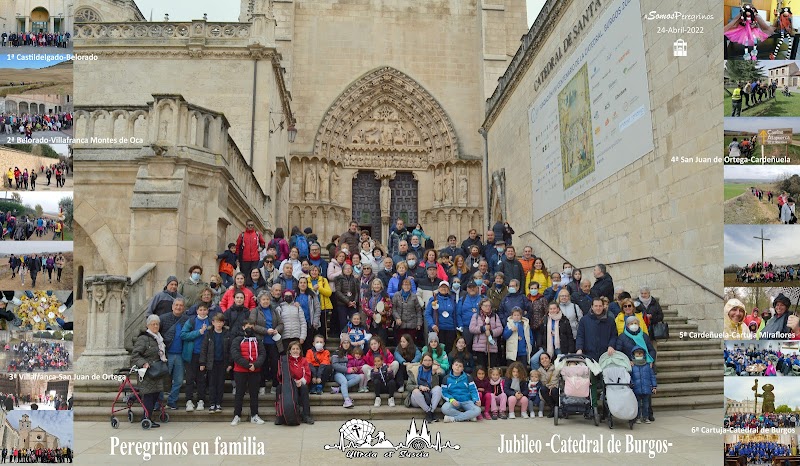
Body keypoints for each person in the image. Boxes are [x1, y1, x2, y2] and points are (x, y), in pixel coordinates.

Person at [131, 315, 170, 427]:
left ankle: (148, 417)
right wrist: (143, 363)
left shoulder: (159, 338)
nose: (155, 326)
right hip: (147, 372)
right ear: (148, 325)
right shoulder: (143, 338)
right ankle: (146, 418)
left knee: (155, 395)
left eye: (157, 324)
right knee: (148, 395)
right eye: (153, 324)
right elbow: (135, 355)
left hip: (157, 371)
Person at [229, 318, 266, 426]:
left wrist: (255, 364)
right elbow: (235, 354)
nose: (249, 328)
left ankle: (254, 415)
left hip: (255, 370)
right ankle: (237, 415)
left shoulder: (258, 340)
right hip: (240, 370)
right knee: (239, 393)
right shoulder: (237, 339)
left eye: (251, 326)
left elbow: (262, 354)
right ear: (243, 327)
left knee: (254, 394)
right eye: (247, 326)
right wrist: (247, 365)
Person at [251, 290, 284, 394]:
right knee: (262, 365)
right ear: (259, 301)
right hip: (261, 341)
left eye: (267, 299)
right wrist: (265, 331)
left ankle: (275, 385)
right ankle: (262, 386)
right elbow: (252, 325)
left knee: (275, 364)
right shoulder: (255, 311)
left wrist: (277, 330)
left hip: (274, 342)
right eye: (263, 299)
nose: (265, 301)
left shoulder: (274, 310)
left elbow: (281, 324)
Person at [180, 303, 211, 412]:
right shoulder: (191, 321)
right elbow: (183, 335)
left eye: (204, 310)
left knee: (201, 379)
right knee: (189, 378)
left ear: (207, 311)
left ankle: (201, 400)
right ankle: (189, 400)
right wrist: (198, 332)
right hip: (191, 354)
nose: (202, 312)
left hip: (204, 355)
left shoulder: (211, 321)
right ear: (197, 311)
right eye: (200, 310)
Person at [160, 298, 189, 410]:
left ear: (184, 308)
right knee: (162, 380)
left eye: (181, 305)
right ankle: (158, 402)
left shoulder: (187, 320)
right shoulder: (163, 318)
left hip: (181, 355)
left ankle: (172, 401)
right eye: (176, 305)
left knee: (178, 380)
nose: (178, 307)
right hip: (167, 354)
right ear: (172, 306)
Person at [200, 313, 232, 413]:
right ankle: (212, 403)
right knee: (212, 384)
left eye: (221, 322)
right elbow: (204, 349)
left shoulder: (227, 334)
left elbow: (230, 349)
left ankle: (218, 403)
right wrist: (202, 362)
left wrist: (230, 363)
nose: (219, 324)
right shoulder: (209, 334)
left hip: (222, 362)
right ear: (213, 323)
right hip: (211, 363)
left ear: (223, 323)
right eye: (217, 322)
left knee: (220, 384)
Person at [276, 340, 314, 425]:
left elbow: (307, 374)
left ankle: (306, 415)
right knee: (279, 388)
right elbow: (280, 375)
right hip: (289, 384)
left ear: (300, 351)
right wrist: (291, 382)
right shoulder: (285, 361)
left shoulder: (304, 360)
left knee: (304, 387)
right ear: (289, 351)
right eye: (293, 349)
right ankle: (280, 415)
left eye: (297, 349)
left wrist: (301, 381)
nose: (295, 351)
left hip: (300, 383)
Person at [404, 352, 442, 423]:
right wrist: (419, 387)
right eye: (425, 360)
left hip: (429, 396)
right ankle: (428, 411)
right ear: (422, 361)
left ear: (432, 362)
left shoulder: (434, 371)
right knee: (415, 391)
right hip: (416, 398)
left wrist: (433, 374)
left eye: (429, 360)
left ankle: (431, 411)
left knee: (438, 388)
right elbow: (408, 386)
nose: (427, 362)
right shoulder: (414, 371)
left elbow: (435, 385)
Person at [470, 298, 503, 368]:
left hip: (492, 346)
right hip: (479, 347)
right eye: (485, 305)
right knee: (481, 368)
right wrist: (482, 328)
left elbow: (500, 329)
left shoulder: (495, 316)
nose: (487, 307)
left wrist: (491, 332)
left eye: (489, 305)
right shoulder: (476, 316)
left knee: (491, 367)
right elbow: (472, 328)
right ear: (481, 306)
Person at [425, 281, 458, 351]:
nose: (443, 289)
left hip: (450, 328)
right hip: (438, 328)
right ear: (438, 288)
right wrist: (432, 325)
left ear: (448, 289)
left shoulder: (452, 300)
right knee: (439, 349)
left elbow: (455, 313)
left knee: (449, 349)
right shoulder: (433, 299)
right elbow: (427, 313)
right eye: (442, 287)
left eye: (445, 287)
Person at [361, 278, 392, 345]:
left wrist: (385, 313)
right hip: (371, 321)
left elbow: (390, 307)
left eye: (378, 284)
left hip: (382, 321)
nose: (376, 286)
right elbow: (364, 306)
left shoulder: (385, 295)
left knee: (382, 340)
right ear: (372, 286)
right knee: (372, 341)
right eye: (375, 284)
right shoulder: (367, 295)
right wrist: (372, 314)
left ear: (381, 285)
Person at [630, 346, 657, 424]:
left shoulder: (648, 365)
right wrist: (631, 385)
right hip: (636, 388)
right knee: (637, 405)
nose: (639, 356)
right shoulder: (632, 366)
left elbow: (652, 376)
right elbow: (630, 377)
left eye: (640, 354)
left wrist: (654, 386)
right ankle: (637, 417)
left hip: (646, 388)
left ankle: (645, 417)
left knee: (646, 405)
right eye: (637, 355)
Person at [392, 279, 423, 345]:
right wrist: (397, 318)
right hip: (400, 325)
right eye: (405, 285)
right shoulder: (396, 295)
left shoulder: (414, 296)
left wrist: (419, 323)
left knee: (411, 344)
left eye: (408, 285)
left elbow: (418, 311)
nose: (406, 287)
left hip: (412, 324)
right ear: (402, 286)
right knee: (400, 344)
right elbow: (393, 309)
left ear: (411, 286)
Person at [331, 337, 360, 408]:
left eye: (348, 343)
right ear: (341, 344)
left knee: (358, 377)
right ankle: (346, 400)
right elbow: (334, 364)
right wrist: (346, 369)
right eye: (344, 343)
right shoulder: (337, 352)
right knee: (344, 381)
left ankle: (339, 389)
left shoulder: (352, 352)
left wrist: (354, 367)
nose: (346, 345)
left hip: (348, 374)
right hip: (338, 373)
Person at [295, 276, 322, 354]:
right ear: (298, 284)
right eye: (301, 283)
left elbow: (317, 309)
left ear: (307, 284)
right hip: (298, 324)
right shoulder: (294, 295)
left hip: (309, 323)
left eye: (304, 283)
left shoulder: (312, 295)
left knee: (308, 345)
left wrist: (315, 322)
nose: (303, 284)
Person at [334, 263, 360, 335]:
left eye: (349, 268)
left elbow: (357, 291)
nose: (348, 270)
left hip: (353, 304)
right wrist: (347, 301)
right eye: (346, 268)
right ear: (343, 270)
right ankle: (344, 337)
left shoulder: (354, 279)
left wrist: (355, 301)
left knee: (354, 321)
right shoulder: (339, 279)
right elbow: (338, 292)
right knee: (343, 322)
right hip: (342, 304)